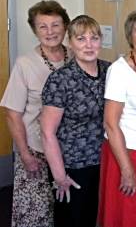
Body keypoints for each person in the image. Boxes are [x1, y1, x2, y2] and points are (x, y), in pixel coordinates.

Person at [0, 0, 70, 227]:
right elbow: (12, 114)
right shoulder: (25, 63)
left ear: (65, 26)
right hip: (36, 151)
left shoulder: (76, 57)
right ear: (34, 30)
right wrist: (25, 154)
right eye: (43, 26)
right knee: (36, 216)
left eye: (55, 25)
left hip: (69, 153)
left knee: (66, 212)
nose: (50, 32)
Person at [40, 15, 110, 227]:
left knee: (93, 218)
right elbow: (47, 132)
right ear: (70, 42)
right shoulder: (60, 79)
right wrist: (60, 176)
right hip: (71, 166)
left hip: (103, 161)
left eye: (94, 38)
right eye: (81, 39)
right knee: (72, 220)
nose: (88, 45)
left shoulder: (110, 70)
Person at [97, 9, 136, 227]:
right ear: (130, 36)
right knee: (125, 216)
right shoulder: (119, 70)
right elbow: (110, 123)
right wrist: (126, 169)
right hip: (124, 153)